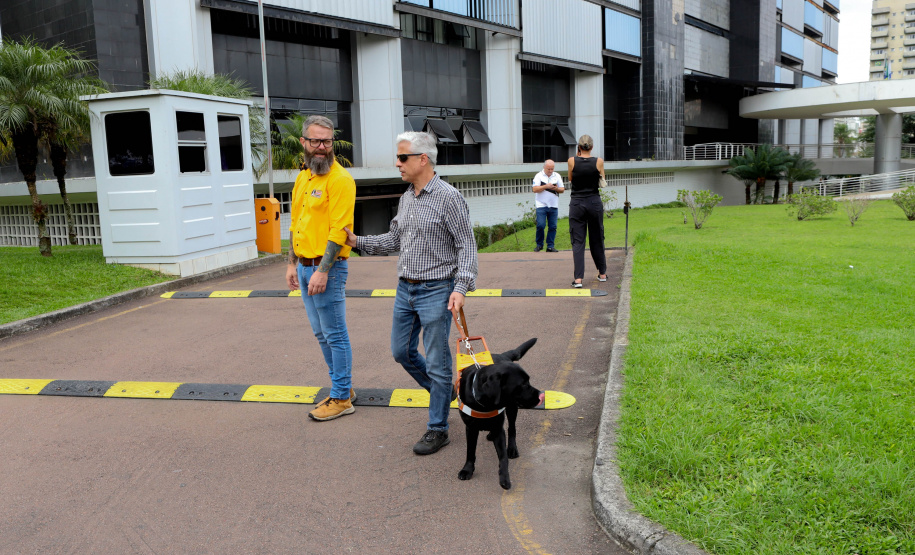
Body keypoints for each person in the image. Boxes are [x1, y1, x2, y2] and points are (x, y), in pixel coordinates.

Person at [344, 131, 478, 455]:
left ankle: (438, 428)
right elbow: (393, 240)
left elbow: (467, 246)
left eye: (402, 157)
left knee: (437, 360)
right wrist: (357, 241)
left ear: (423, 159)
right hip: (406, 289)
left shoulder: (448, 197)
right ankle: (442, 392)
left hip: (437, 290)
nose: (397, 163)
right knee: (400, 352)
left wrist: (461, 288)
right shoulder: (406, 198)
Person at [285, 115, 357, 422]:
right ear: (303, 142)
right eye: (315, 141)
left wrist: (323, 271)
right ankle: (343, 387)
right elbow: (295, 223)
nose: (321, 147)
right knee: (321, 333)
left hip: (327, 268)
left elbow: (339, 230)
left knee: (335, 333)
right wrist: (291, 263)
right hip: (303, 266)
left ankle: (341, 397)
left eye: (327, 141)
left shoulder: (340, 179)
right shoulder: (304, 177)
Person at [567, 135, 608, 288]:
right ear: (591, 147)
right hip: (594, 201)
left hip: (577, 202)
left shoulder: (571, 161)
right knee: (597, 237)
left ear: (579, 147)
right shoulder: (599, 161)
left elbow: (571, 179)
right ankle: (602, 273)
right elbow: (602, 179)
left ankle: (578, 279)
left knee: (578, 241)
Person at [531, 159, 564, 252]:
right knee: (541, 225)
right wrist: (546, 186)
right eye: (548, 169)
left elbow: (562, 189)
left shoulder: (557, 176)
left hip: (553, 205)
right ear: (544, 167)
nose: (550, 171)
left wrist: (556, 188)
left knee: (553, 226)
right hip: (541, 205)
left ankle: (550, 245)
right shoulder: (538, 176)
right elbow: (535, 189)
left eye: (552, 169)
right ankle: (539, 244)